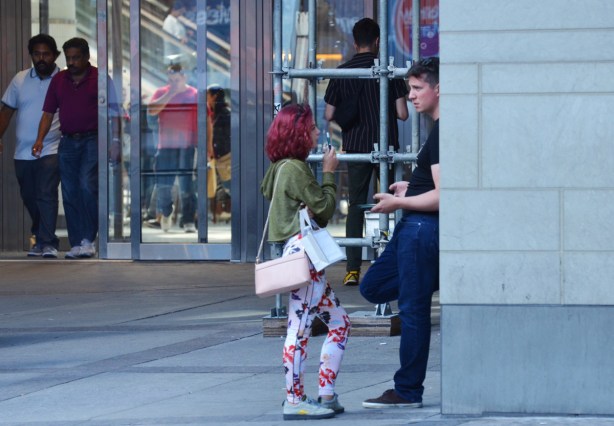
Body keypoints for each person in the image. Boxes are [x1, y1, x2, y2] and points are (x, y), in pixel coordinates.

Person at [261, 104, 350, 420]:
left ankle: (325, 393)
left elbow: (269, 193)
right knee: (298, 329)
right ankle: (294, 399)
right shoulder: (296, 169)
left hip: (299, 255)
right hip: (304, 257)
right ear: (299, 133)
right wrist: (328, 172)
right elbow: (326, 210)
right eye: (312, 128)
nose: (316, 132)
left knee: (339, 322)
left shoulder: (278, 166)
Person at [360, 57, 440, 409]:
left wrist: (397, 203)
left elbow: (444, 195)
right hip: (416, 226)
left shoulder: (444, 129)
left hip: (420, 230)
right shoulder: (440, 129)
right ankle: (428, 279)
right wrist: (412, 188)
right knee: (372, 286)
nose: (410, 96)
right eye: (410, 88)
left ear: (440, 89)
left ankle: (407, 390)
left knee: (412, 309)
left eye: (418, 88)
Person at [324, 17, 409, 287]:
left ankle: (352, 269)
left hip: (356, 147)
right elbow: (403, 114)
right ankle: (394, 262)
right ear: (377, 42)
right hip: (387, 148)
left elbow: (328, 114)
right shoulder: (387, 70)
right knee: (394, 204)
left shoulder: (342, 72)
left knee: (356, 206)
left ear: (353, 41)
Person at [33, 37, 102, 259]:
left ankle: (88, 239)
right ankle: (76, 243)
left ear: (86, 57)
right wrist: (39, 139)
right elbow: (48, 113)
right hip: (68, 141)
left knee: (86, 186)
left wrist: (116, 142)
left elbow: (114, 112)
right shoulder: (60, 80)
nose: (71, 62)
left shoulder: (99, 78)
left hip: (93, 139)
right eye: (68, 58)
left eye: (76, 58)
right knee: (70, 191)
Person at [0, 34, 61, 258]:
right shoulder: (20, 79)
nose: (41, 58)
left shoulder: (63, 80)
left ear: (55, 55)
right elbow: (6, 111)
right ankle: (40, 235)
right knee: (29, 196)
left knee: (46, 193)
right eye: (37, 54)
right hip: (22, 152)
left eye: (46, 54)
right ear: (31, 55)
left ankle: (47, 242)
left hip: (51, 148)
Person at [147, 63, 197, 233]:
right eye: (171, 79)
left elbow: (204, 122)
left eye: (177, 79)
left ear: (184, 77)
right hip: (166, 145)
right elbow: (152, 111)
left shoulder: (194, 94)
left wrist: (205, 146)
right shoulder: (162, 92)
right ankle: (166, 211)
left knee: (186, 186)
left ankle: (188, 219)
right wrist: (171, 92)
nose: (174, 82)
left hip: (186, 145)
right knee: (163, 185)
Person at [207, 85, 231, 222]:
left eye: (208, 95)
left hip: (226, 157)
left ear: (215, 96)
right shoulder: (212, 113)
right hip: (217, 157)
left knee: (229, 186)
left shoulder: (225, 114)